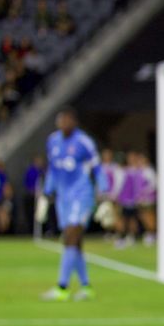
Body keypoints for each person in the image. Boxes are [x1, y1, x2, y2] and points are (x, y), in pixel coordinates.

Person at [42, 106, 98, 301]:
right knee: (76, 243)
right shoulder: (53, 141)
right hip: (63, 197)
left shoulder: (84, 142)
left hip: (81, 195)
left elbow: (97, 167)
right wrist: (48, 189)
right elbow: (52, 168)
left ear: (74, 122)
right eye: (60, 120)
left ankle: (62, 287)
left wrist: (105, 189)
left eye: (66, 120)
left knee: (70, 237)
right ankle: (86, 287)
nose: (63, 124)